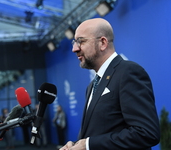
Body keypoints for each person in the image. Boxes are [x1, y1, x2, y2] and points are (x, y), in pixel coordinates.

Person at [60, 18, 160, 150]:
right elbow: (97, 132)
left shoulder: (128, 72)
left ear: (102, 43)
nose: (74, 49)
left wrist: (88, 144)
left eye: (81, 41)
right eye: (74, 42)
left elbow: (146, 133)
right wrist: (76, 145)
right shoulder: (91, 86)